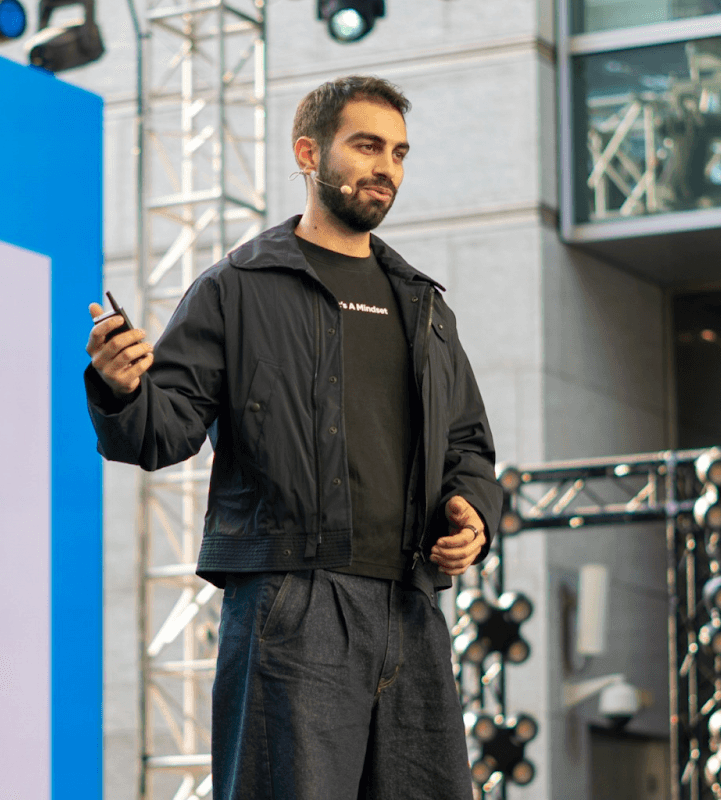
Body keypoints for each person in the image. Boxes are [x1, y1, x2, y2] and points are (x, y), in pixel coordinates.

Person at [84, 75, 502, 799]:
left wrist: (473, 512)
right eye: (367, 146)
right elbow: (164, 431)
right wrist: (122, 386)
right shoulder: (236, 288)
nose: (387, 168)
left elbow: (467, 443)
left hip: (412, 608)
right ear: (308, 152)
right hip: (292, 605)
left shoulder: (424, 303)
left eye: (399, 153)